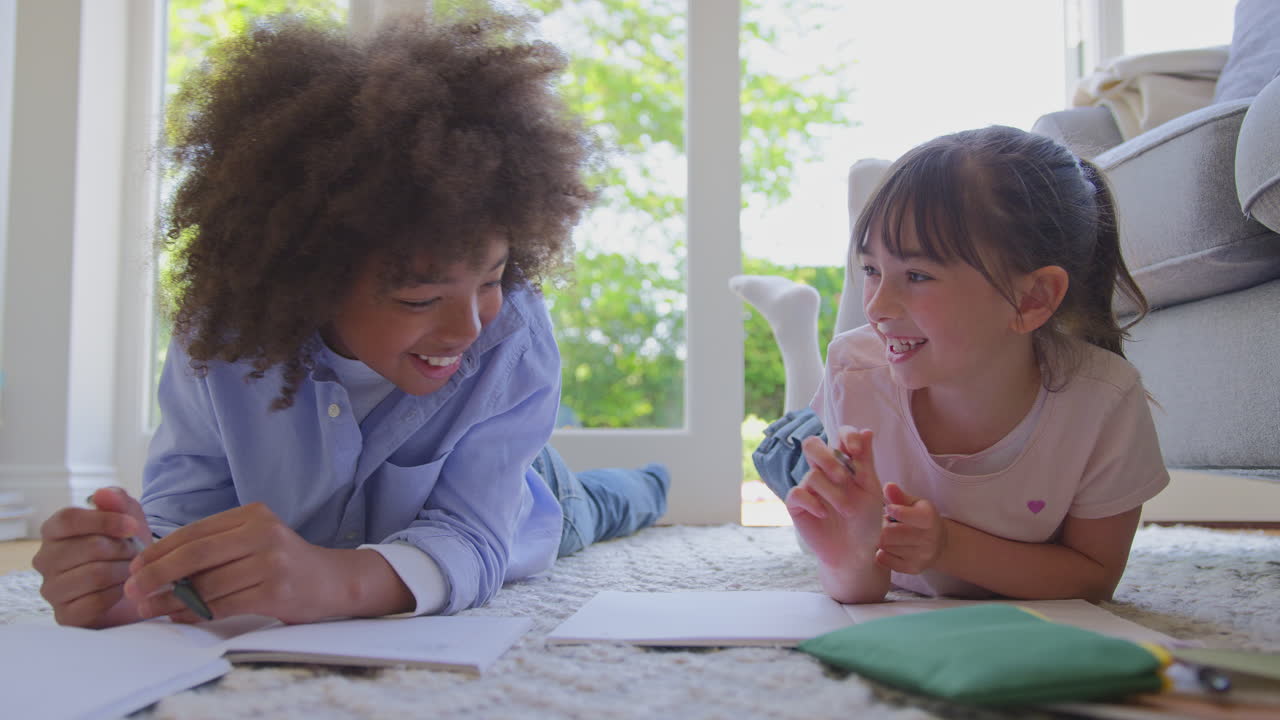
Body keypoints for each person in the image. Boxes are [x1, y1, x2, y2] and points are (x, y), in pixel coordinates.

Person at [32, 8, 668, 629]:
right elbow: (187, 514)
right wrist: (136, 576)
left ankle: (651, 483)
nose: (471, 327)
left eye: (493, 280)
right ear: (309, 277)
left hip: (523, 489)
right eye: (420, 299)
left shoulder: (510, 340)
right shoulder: (221, 338)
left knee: (599, 507)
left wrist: (338, 582)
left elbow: (472, 535)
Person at [764, 125, 1168, 604]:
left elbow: (1094, 581)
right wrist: (848, 550)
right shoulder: (856, 370)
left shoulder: (1104, 400)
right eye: (870, 269)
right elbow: (859, 585)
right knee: (791, 444)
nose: (879, 305)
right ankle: (798, 322)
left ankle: (870, 248)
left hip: (896, 366)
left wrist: (948, 546)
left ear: (1033, 299)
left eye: (917, 274)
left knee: (882, 332)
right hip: (837, 414)